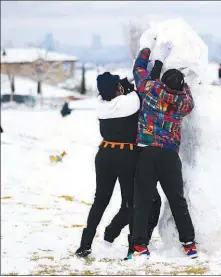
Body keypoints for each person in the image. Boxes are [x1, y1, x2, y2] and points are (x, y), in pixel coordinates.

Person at [75, 71, 161, 259]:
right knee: (131, 201)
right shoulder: (130, 102)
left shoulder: (101, 105)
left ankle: (85, 244)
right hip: (126, 156)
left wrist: (118, 84)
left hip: (105, 154)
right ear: (117, 88)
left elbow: (121, 89)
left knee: (100, 200)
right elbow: (145, 85)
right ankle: (132, 248)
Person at [131, 29, 198, 259]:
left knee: (143, 201)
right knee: (178, 201)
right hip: (170, 156)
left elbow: (138, 70)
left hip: (147, 153)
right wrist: (183, 86)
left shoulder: (150, 90)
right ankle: (189, 244)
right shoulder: (182, 103)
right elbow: (190, 101)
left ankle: (140, 245)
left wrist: (147, 48)